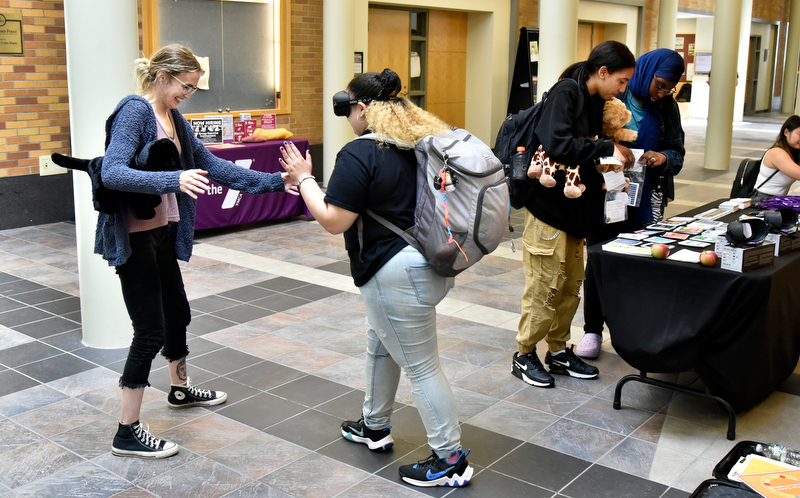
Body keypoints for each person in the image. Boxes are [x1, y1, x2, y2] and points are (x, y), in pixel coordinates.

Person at [98, 44, 298, 459]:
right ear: (162, 78)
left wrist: (278, 181)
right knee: (149, 330)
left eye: (193, 88)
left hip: (162, 234)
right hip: (134, 237)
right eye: (185, 86)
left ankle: (179, 389)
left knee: (178, 315)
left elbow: (212, 166)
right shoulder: (135, 111)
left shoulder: (173, 117)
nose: (188, 94)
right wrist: (174, 177)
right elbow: (114, 171)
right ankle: (126, 431)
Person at [279, 69, 473, 488]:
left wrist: (304, 179)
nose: (348, 117)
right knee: (381, 343)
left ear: (364, 109)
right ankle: (374, 424)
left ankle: (450, 459)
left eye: (349, 108)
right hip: (429, 263)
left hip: (394, 273)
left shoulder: (360, 153)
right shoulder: (422, 145)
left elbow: (334, 219)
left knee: (421, 367)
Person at [511, 41, 636, 389]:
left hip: (577, 210)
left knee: (569, 285)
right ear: (603, 72)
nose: (622, 90)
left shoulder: (597, 101)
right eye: (621, 81)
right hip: (549, 208)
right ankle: (523, 355)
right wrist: (605, 147)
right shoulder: (568, 92)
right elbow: (558, 145)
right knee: (544, 285)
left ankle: (557, 349)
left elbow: (585, 152)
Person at [576, 48, 686, 360]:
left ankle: (633, 329)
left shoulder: (666, 108)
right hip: (605, 193)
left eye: (669, 88)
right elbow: (583, 140)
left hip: (645, 198)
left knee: (639, 263)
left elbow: (677, 151)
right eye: (660, 84)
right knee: (598, 261)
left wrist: (664, 156)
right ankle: (592, 330)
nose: (662, 93)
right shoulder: (610, 98)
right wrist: (612, 149)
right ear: (645, 72)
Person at [751, 115, 800, 204]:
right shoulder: (777, 153)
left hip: (778, 200)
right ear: (786, 132)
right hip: (762, 200)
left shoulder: (794, 152)